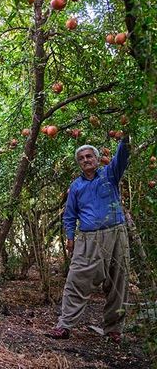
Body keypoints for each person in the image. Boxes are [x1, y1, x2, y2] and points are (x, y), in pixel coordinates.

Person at [50, 135, 130, 343]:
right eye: (82, 158)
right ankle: (64, 325)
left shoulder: (109, 175)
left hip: (115, 233)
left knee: (117, 281)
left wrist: (125, 136)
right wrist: (69, 238)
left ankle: (113, 328)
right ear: (79, 163)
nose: (86, 160)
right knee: (76, 279)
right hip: (88, 239)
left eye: (89, 156)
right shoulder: (76, 187)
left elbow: (122, 156)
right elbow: (69, 215)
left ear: (96, 158)